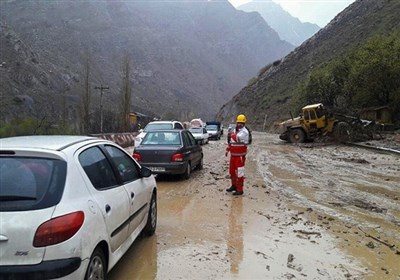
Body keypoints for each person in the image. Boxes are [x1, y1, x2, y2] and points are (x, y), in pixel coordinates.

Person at [225, 114, 249, 195]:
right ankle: (234, 185)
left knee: (240, 173)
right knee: (232, 172)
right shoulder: (236, 130)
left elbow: (237, 138)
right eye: (238, 122)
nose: (239, 124)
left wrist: (231, 134)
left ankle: (240, 189)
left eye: (241, 123)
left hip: (240, 156)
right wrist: (228, 149)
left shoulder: (245, 132)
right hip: (233, 155)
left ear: (244, 124)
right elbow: (232, 141)